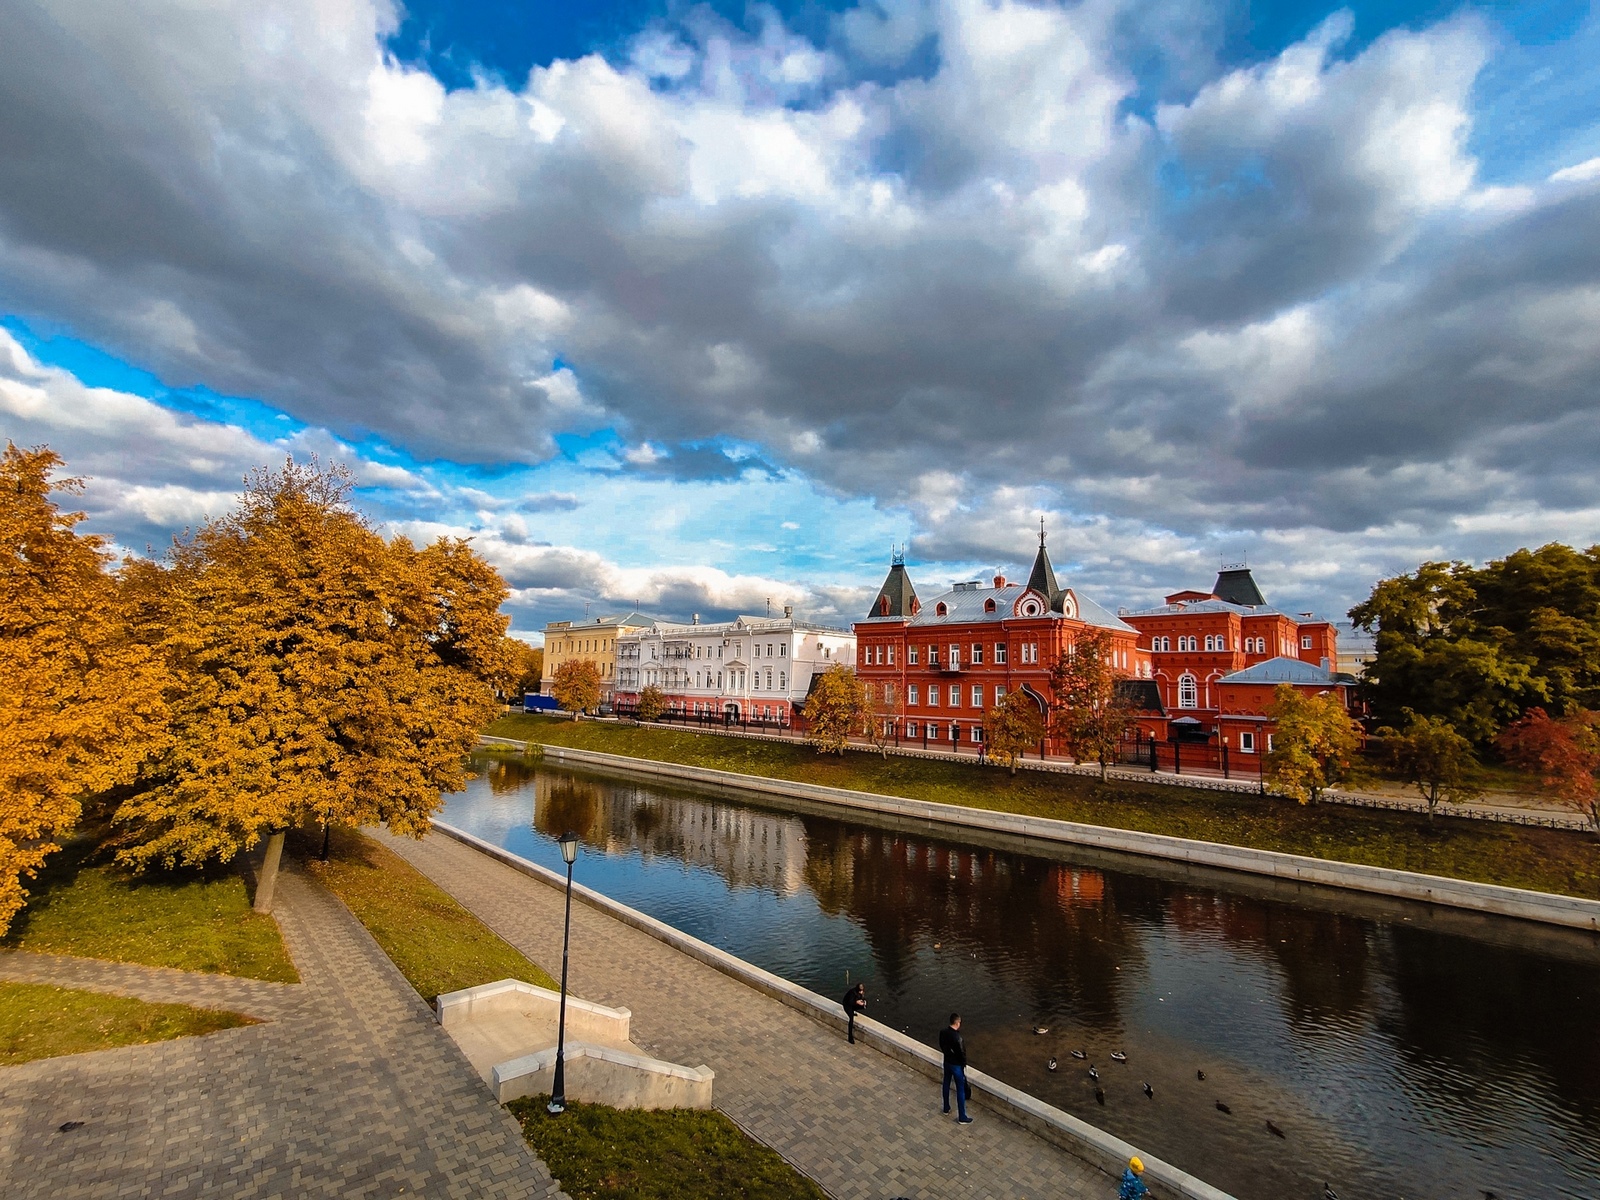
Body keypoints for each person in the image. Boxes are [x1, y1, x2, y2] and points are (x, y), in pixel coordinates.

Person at [939, 1013, 973, 1123]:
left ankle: (946, 1108)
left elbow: (942, 1045)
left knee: (946, 1083)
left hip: (947, 1062)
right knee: (960, 1090)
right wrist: (963, 1064)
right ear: (957, 1022)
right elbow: (962, 1053)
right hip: (956, 1065)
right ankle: (962, 1116)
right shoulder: (958, 1038)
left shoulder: (943, 1032)